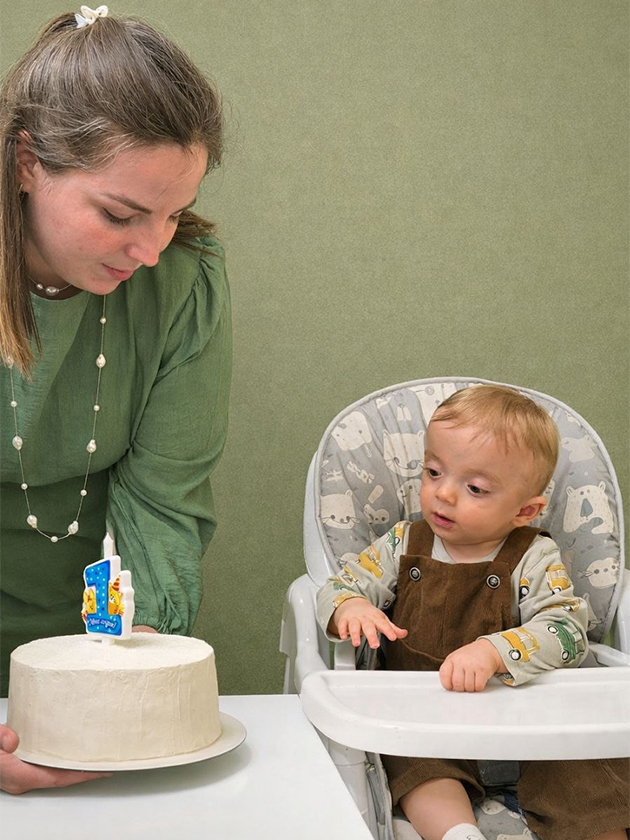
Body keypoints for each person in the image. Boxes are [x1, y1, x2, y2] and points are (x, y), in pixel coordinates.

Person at [0, 7, 231, 793]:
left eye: (171, 214)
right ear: (29, 162)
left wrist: (115, 687)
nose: (151, 249)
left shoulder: (184, 280)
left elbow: (166, 502)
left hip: (102, 656)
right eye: (121, 214)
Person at [317, 385, 629, 840]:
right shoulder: (403, 545)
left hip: (531, 724)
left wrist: (495, 651)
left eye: (475, 487)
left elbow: (566, 631)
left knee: (584, 771)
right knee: (418, 767)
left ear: (526, 510)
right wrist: (353, 605)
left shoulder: (536, 556)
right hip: (430, 720)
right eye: (433, 471)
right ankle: (459, 833)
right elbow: (339, 584)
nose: (443, 493)